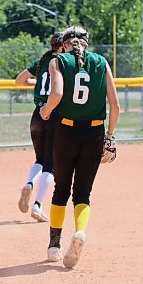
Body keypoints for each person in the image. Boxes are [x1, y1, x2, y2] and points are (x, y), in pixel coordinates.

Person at [39, 25, 120, 268]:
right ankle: (80, 232)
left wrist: (46, 110)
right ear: (87, 43)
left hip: (67, 131)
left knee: (61, 189)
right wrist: (110, 135)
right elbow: (115, 106)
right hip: (94, 132)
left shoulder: (58, 61)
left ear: (64, 43)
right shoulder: (101, 61)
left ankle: (54, 245)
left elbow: (57, 94)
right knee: (83, 193)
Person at [15, 32, 63, 222]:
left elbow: (19, 80)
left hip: (36, 116)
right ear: (61, 47)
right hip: (53, 114)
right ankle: (37, 206)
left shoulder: (41, 61)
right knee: (50, 166)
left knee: (39, 159)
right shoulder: (62, 63)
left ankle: (29, 183)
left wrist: (36, 83)